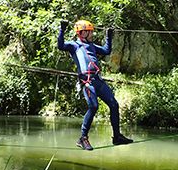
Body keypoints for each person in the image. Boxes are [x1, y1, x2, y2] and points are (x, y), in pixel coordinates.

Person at [57, 19, 133, 150]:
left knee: (114, 105)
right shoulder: (74, 45)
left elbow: (106, 50)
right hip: (87, 81)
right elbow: (60, 46)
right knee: (93, 106)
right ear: (82, 33)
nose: (92, 34)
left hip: (98, 80)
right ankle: (83, 138)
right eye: (89, 32)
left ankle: (117, 137)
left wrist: (109, 36)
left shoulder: (92, 46)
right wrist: (62, 29)